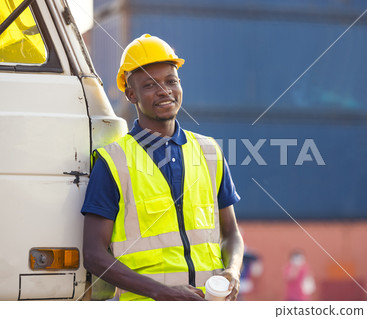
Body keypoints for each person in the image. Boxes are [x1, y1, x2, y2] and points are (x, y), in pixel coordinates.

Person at [81, 34, 244, 301]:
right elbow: (94, 255)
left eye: (171, 81)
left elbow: (231, 234)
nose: (165, 90)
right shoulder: (112, 162)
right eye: (150, 85)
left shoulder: (209, 151)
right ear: (131, 94)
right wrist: (163, 293)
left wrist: (233, 271)